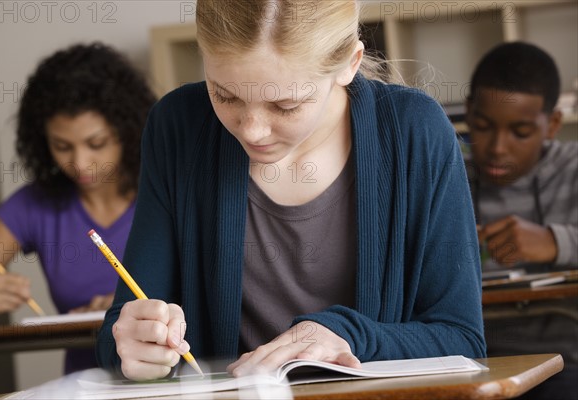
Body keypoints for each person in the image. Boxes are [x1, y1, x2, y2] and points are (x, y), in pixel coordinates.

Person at [97, 0, 486, 381]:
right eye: (224, 94)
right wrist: (131, 345)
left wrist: (347, 336)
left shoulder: (416, 133)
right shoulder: (177, 126)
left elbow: (462, 340)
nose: (251, 130)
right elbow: (123, 327)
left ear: (350, 63)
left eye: (285, 106)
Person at [0, 43, 156, 374]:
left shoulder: (163, 192)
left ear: (128, 131)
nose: (79, 163)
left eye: (96, 144)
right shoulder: (32, 206)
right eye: (61, 147)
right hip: (82, 385)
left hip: (171, 378)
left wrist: (124, 308)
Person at [464, 41, 577, 399]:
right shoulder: (446, 178)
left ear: (552, 124)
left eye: (520, 132)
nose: (498, 147)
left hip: (564, 360)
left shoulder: (573, 169)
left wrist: (556, 242)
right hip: (471, 362)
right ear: (468, 113)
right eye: (482, 126)